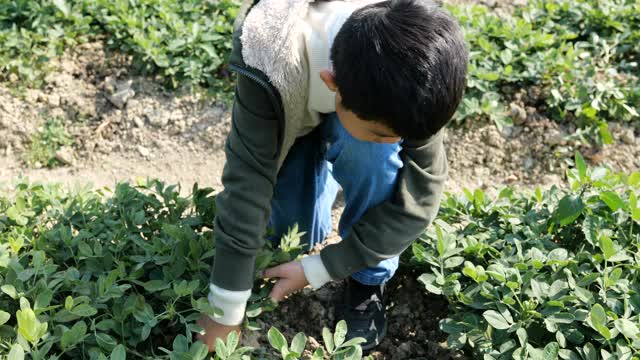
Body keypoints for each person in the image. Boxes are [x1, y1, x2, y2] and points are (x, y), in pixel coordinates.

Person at [196, 0, 468, 352]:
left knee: (375, 154)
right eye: (388, 133)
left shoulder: (415, 59)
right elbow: (247, 185)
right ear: (331, 82)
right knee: (291, 237)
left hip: (356, 118)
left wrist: (323, 267)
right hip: (292, 119)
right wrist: (224, 313)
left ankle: (368, 280)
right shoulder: (267, 53)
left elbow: (420, 198)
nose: (401, 143)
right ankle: (326, 170)